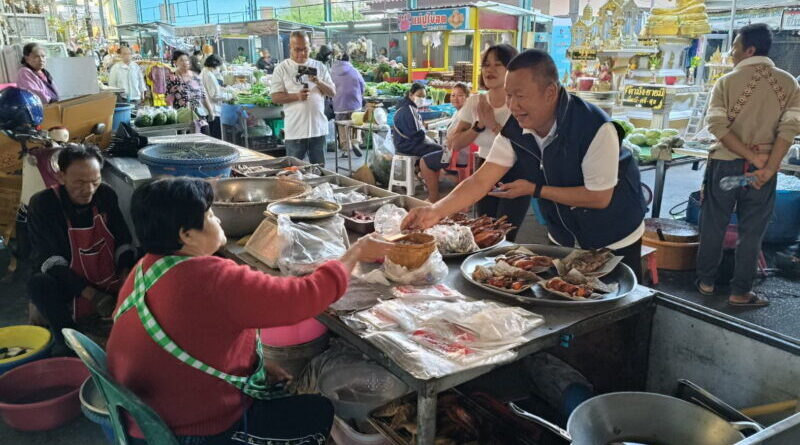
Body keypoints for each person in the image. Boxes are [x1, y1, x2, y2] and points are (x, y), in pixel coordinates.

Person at [106, 177, 391, 444]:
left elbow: (195, 336)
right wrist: (355, 253)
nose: (217, 219)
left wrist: (254, 365)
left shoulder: (144, 269)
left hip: (145, 422)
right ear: (187, 235)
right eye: (210, 215)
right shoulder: (211, 278)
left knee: (280, 395)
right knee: (318, 412)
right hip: (195, 431)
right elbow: (303, 297)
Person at [402, 50, 647, 276]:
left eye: (520, 96)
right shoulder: (516, 129)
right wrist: (436, 211)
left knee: (614, 301)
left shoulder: (593, 127)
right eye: (509, 96)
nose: (512, 105)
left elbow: (598, 197)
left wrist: (535, 189)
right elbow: (480, 181)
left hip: (612, 235)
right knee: (564, 292)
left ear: (550, 92)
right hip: (562, 233)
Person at [696, 24, 800, 307]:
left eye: (735, 47)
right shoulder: (789, 83)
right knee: (752, 232)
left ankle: (706, 283)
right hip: (763, 170)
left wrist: (750, 158)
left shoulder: (726, 82)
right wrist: (767, 168)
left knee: (714, 225)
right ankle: (740, 292)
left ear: (750, 49)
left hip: (725, 167)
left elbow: (717, 126)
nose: (731, 53)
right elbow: (790, 130)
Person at [27, 144, 135, 353]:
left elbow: (123, 239)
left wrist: (125, 276)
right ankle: (68, 342)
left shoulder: (105, 195)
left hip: (107, 276)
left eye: (95, 181)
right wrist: (94, 296)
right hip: (69, 282)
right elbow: (49, 260)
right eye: (79, 183)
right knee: (39, 283)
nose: (89, 190)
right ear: (61, 177)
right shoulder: (44, 204)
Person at [447, 44, 526, 240]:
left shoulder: (520, 102)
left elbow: (523, 145)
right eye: (486, 64)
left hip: (516, 172)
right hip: (483, 169)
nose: (490, 70)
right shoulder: (475, 102)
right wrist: (479, 125)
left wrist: (493, 124)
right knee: (483, 232)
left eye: (498, 64)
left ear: (512, 69)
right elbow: (455, 143)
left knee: (505, 235)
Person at [270, 31, 336, 165]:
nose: (302, 53)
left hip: (318, 129)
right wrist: (297, 96)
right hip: (295, 131)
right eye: (297, 49)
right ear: (290, 48)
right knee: (294, 171)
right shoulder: (282, 68)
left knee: (320, 171)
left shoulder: (320, 66)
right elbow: (275, 97)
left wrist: (318, 81)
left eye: (305, 49)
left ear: (310, 47)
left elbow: (332, 93)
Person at [392, 83, 450, 202]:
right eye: (419, 95)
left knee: (435, 145)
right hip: (407, 144)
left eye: (424, 96)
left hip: (405, 142)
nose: (422, 99)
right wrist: (428, 139)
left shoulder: (407, 106)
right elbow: (415, 134)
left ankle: (423, 174)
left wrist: (428, 138)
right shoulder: (407, 110)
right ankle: (432, 180)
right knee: (440, 150)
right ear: (411, 94)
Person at [166, 50, 214, 134]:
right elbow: (169, 99)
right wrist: (172, 118)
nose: (185, 62)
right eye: (181, 60)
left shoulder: (196, 76)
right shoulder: (173, 78)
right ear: (175, 62)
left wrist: (210, 112)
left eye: (187, 60)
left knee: (204, 138)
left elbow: (203, 95)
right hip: (183, 120)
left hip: (200, 116)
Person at [331, 52, 365, 157]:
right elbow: (362, 84)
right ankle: (356, 142)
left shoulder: (332, 72)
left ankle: (346, 149)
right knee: (356, 123)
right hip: (354, 102)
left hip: (339, 103)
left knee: (342, 126)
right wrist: (360, 94)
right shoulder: (354, 70)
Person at [201, 54, 232, 140]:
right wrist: (229, 96)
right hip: (212, 109)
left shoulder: (205, 71)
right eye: (219, 67)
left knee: (212, 134)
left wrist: (224, 89)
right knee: (216, 135)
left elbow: (213, 89)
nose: (219, 69)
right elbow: (214, 95)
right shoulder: (209, 75)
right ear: (215, 65)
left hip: (208, 108)